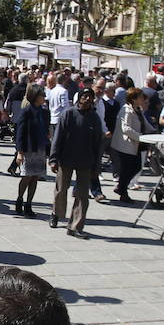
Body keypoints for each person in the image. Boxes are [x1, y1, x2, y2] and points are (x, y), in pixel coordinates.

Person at [50, 88, 103, 237]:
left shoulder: (95, 118)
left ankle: (75, 226)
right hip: (66, 159)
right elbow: (58, 137)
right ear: (79, 98)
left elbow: (98, 144)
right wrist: (53, 159)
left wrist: (97, 166)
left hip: (85, 161)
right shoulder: (68, 113)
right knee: (61, 189)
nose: (87, 99)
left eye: (90, 97)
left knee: (82, 195)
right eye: (84, 96)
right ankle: (56, 213)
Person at [11, 83, 50, 218]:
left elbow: (46, 130)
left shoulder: (44, 111)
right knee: (27, 176)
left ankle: (29, 204)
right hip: (28, 148)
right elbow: (20, 132)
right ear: (35, 96)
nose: (44, 97)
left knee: (36, 177)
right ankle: (20, 199)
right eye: (41, 95)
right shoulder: (27, 111)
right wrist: (20, 152)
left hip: (40, 148)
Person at [110, 88, 148, 203]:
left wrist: (154, 131)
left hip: (136, 144)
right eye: (141, 97)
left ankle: (121, 188)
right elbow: (126, 128)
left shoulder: (138, 109)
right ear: (134, 99)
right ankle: (123, 191)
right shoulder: (126, 110)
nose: (143, 99)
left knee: (135, 167)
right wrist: (139, 137)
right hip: (126, 144)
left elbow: (144, 123)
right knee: (129, 168)